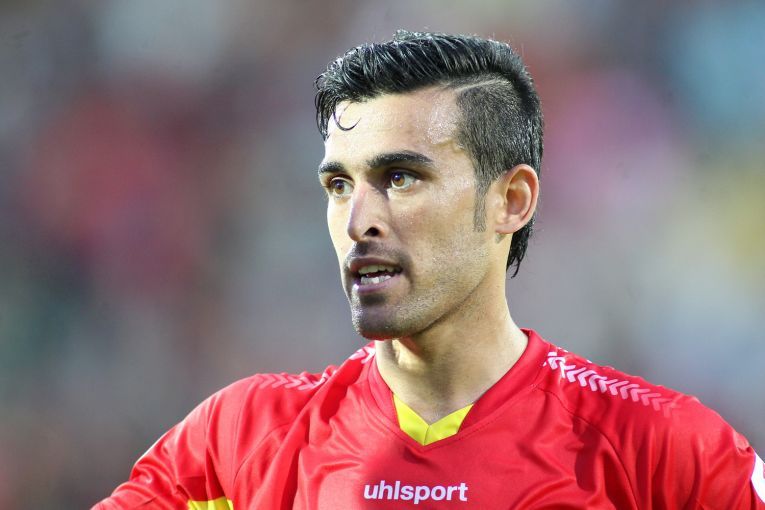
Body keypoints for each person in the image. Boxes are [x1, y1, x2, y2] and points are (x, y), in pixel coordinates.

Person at [93, 30, 764, 509]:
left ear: (511, 200)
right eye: (338, 185)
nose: (358, 221)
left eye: (401, 177)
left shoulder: (662, 453)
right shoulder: (238, 445)